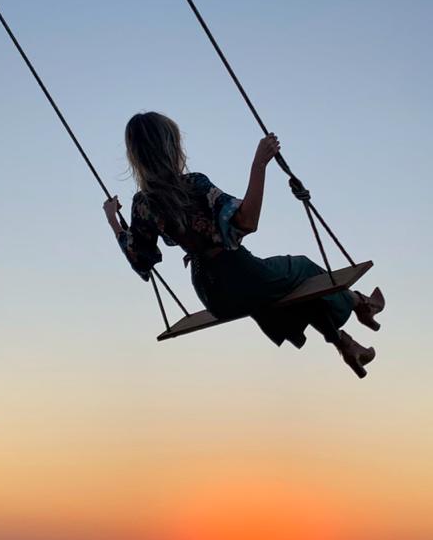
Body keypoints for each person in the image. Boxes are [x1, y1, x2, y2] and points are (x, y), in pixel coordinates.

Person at [104, 111, 384, 377]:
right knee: (304, 269)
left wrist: (113, 222)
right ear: (171, 147)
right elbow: (247, 221)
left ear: (137, 157)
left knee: (292, 295)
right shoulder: (194, 184)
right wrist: (259, 164)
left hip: (211, 295)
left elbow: (139, 258)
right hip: (241, 272)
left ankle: (346, 344)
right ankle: (360, 303)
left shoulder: (142, 204)